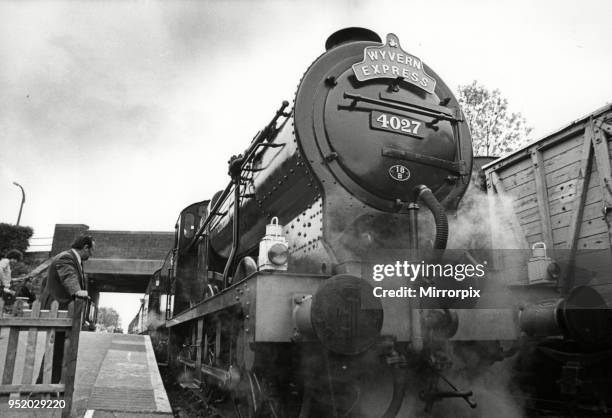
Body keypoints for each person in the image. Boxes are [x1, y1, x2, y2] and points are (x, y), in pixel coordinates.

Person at [37, 235, 94, 384]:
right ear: (86, 247)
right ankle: (42, 387)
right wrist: (77, 291)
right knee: (55, 348)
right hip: (58, 308)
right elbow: (68, 276)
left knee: (58, 348)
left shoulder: (74, 259)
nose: (91, 254)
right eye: (91, 250)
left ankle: (49, 384)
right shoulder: (66, 257)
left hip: (63, 310)